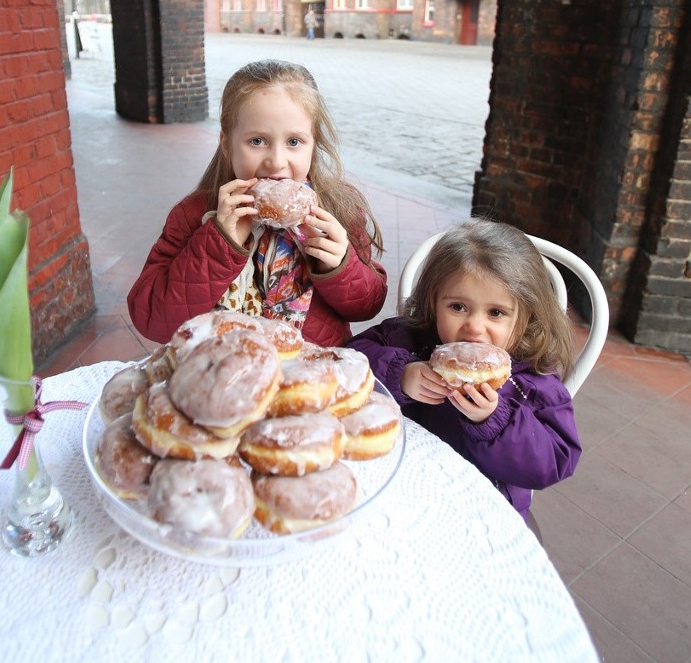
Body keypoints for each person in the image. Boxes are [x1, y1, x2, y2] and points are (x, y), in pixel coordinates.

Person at [128, 58, 386, 347]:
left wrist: (340, 265)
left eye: (294, 142)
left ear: (314, 144)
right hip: (223, 373)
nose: (276, 161)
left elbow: (368, 306)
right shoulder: (194, 215)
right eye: (257, 141)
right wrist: (218, 244)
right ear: (227, 144)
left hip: (312, 374)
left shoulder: (339, 209)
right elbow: (152, 320)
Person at [349, 219, 581, 520]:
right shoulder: (408, 338)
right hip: (398, 487)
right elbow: (347, 362)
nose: (474, 326)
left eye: (496, 313)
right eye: (458, 307)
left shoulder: (532, 382)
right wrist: (399, 374)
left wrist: (494, 420)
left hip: (479, 508)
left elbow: (554, 461)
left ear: (526, 315)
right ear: (433, 301)